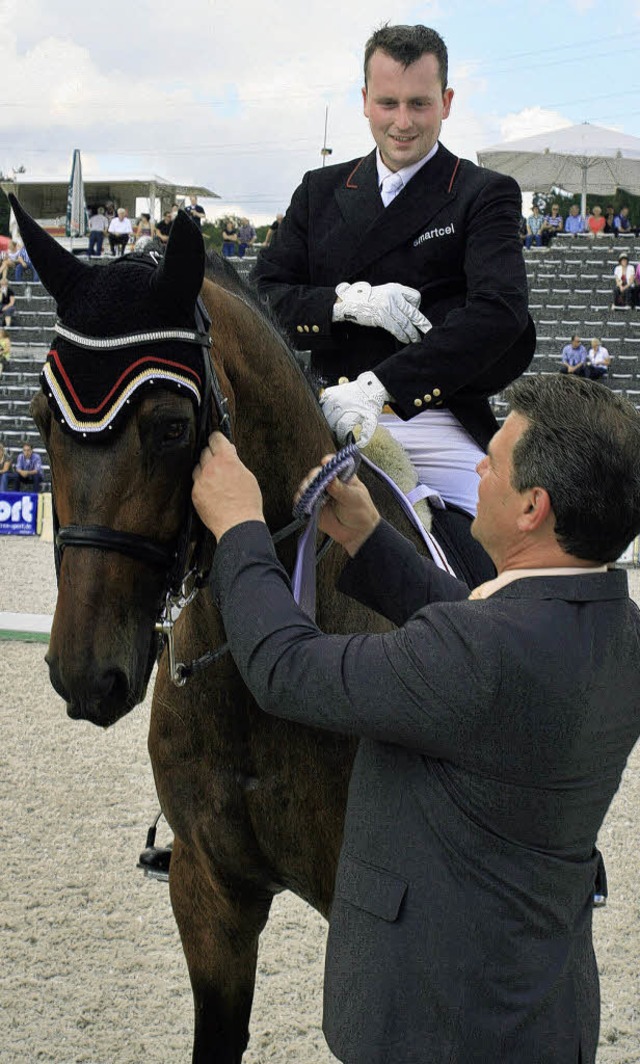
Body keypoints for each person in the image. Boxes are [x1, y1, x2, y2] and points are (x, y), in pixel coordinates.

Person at [191, 373, 640, 1064]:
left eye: (492, 459)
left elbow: (285, 669)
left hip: (437, 1027)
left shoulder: (481, 654)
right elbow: (488, 638)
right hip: (537, 1008)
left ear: (532, 507)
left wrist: (239, 528)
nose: (480, 470)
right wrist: (372, 539)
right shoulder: (615, 624)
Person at [252, 24, 534, 521]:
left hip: (431, 419)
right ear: (364, 101)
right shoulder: (319, 191)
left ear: (446, 101)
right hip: (323, 412)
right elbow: (262, 297)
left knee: (500, 549)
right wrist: (344, 305)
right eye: (388, 103)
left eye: (419, 104)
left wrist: (381, 385)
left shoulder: (483, 193)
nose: (402, 122)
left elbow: (499, 312)